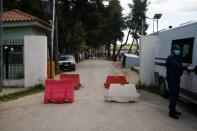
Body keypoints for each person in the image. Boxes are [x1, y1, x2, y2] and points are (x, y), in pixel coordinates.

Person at [166, 45, 188, 119]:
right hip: (172, 79)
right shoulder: (170, 58)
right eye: (177, 49)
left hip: (176, 79)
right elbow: (177, 66)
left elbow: (180, 65)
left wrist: (185, 67)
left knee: (176, 95)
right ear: (173, 50)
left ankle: (174, 110)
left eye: (179, 49)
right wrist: (187, 68)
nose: (178, 51)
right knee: (173, 95)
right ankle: (171, 112)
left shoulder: (177, 57)